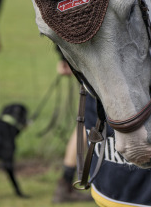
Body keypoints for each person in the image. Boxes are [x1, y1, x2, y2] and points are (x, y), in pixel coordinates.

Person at [52, 55, 93, 204]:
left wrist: (65, 58)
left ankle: (65, 184)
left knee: (87, 123)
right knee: (88, 123)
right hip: (95, 65)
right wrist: (66, 58)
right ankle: (65, 184)